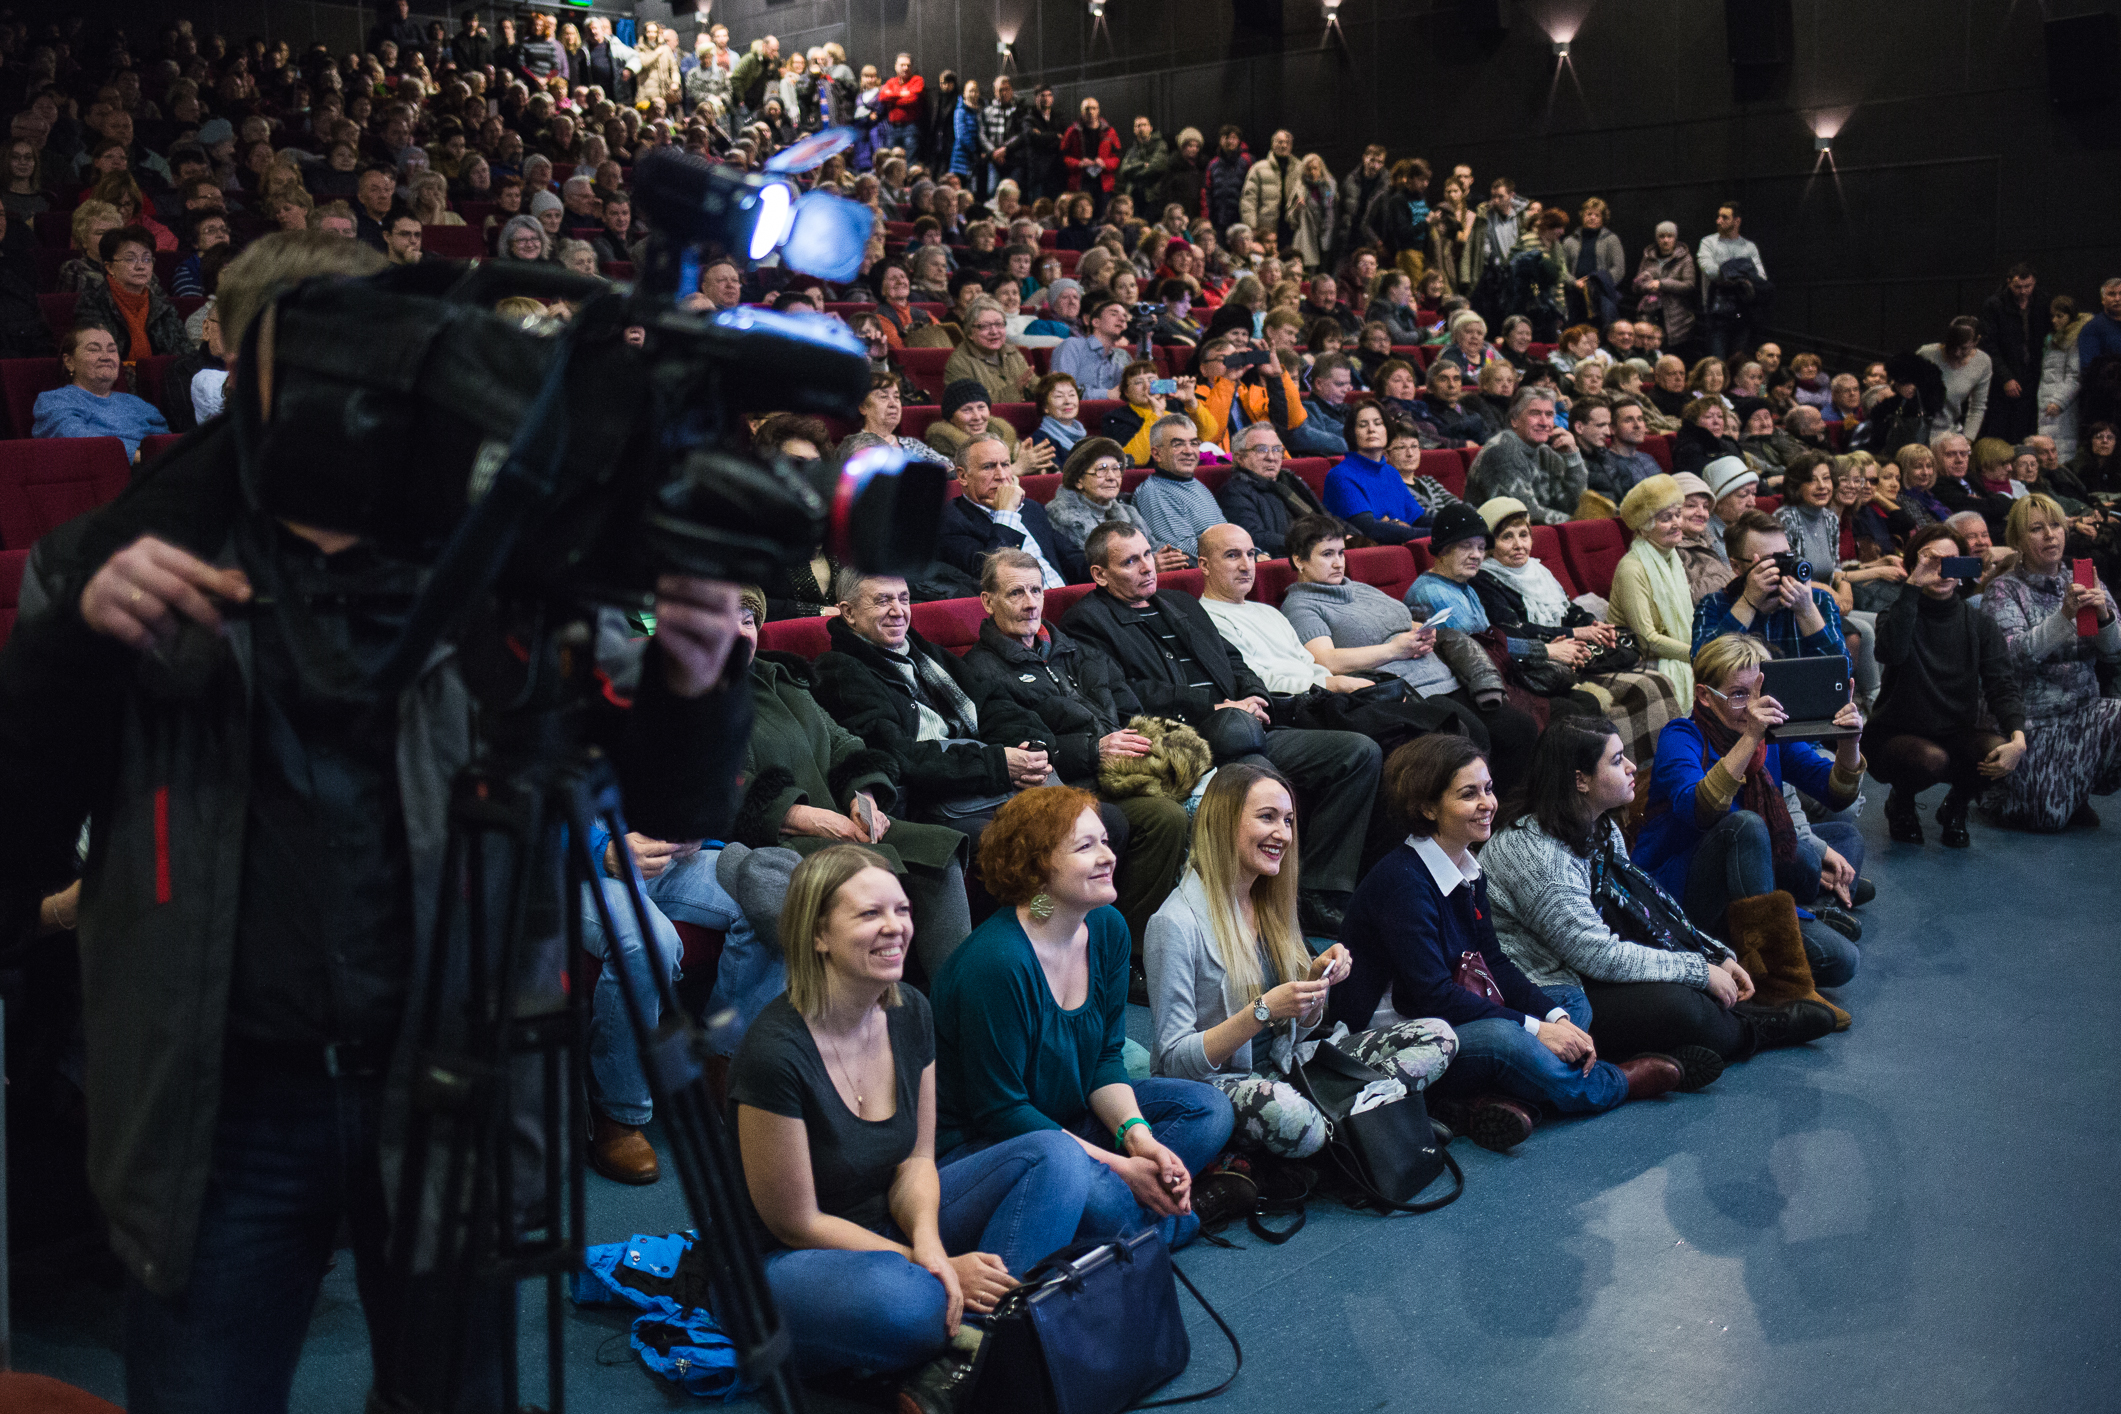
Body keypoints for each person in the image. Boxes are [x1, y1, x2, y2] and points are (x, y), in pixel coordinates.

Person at [0, 229, 757, 1414]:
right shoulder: (127, 558)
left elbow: (672, 797)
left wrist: (700, 675)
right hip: (223, 1101)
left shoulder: (501, 552)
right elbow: (21, 841)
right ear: (243, 363)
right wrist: (69, 655)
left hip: (454, 1081)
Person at [729, 844, 1092, 1399]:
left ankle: (966, 1352)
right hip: (791, 1260)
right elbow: (794, 1223)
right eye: (870, 914)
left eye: (901, 910)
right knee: (906, 1303)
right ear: (818, 935)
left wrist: (928, 1247)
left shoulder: (910, 1011)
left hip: (892, 1225)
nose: (895, 927)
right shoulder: (773, 1050)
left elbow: (919, 1159)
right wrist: (937, 1264)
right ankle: (982, 1340)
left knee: (1057, 1154)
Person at [1332, 735, 1681, 1152]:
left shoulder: (1467, 866)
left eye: (1489, 789)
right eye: (1468, 794)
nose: (1487, 803)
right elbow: (1432, 997)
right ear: (1427, 808)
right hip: (1405, 1038)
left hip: (1451, 1012)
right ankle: (1611, 1085)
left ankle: (1487, 1100)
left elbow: (1492, 960)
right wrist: (1536, 1029)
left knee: (1570, 1003)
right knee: (1508, 1039)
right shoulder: (1402, 882)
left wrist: (1553, 1018)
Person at [931, 788, 1234, 1250]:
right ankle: (1173, 1222)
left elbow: (1104, 1060)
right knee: (1110, 1200)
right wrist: (1121, 1169)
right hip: (989, 1147)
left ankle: (1105, 1228)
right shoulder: (997, 963)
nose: (1107, 856)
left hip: (1068, 1119)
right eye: (1085, 847)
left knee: (1209, 1111)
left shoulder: (1107, 927)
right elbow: (1003, 1113)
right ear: (1037, 868)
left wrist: (1139, 1139)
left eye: (1105, 842)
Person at [1061, 523, 1384, 936]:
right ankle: (1266, 906)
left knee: (1358, 752)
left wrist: (1253, 695)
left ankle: (1319, 888)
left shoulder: (1179, 602)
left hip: (1243, 722)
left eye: (1147, 555)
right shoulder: (1087, 622)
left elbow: (1232, 659)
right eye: (1129, 561)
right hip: (1184, 742)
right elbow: (1127, 694)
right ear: (1100, 574)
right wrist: (1215, 705)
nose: (1146, 567)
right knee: (1256, 771)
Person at [1486, 719, 1840, 1090]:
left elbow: (1647, 909)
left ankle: (1675, 1053)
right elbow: (1599, 956)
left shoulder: (1597, 826)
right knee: (1682, 1005)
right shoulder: (1538, 855)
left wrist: (1714, 954)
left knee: (1692, 984)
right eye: (1617, 760)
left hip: (1587, 971)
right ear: (1580, 780)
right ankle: (1756, 1031)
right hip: (1556, 993)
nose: (1631, 767)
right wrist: (1698, 971)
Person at [1145, 763, 1458, 1156]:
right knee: (1296, 1121)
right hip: (1226, 1084)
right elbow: (1173, 1063)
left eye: (1289, 819)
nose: (1283, 834)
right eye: (1267, 817)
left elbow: (1305, 1032)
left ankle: (1351, 1128)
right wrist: (1261, 1011)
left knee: (1439, 1036)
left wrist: (1315, 987)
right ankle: (1378, 1125)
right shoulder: (1173, 923)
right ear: (1223, 823)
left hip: (1292, 1068)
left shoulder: (1271, 900)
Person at [1633, 634, 1865, 1016]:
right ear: (1706, 696)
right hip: (1683, 890)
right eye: (1740, 695)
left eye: (1758, 693)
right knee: (1746, 826)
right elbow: (1700, 810)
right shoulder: (1682, 734)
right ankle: (1777, 985)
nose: (1752, 707)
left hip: (1753, 885)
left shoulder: (1769, 738)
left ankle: (1757, 938)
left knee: (1843, 959)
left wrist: (1848, 742)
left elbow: (1835, 794)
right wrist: (1752, 735)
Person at [1278, 512, 1538, 788]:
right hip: (1410, 693)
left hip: (1445, 675)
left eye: (1341, 552)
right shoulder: (1301, 605)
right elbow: (1326, 661)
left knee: (1521, 729)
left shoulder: (1360, 589)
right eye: (1327, 554)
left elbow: (1402, 619)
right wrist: (1394, 650)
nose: (1338, 562)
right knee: (1476, 738)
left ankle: (1506, 816)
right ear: (1299, 560)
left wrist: (1424, 630)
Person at [1474, 498, 1685, 765]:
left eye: (1524, 534)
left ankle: (1661, 771)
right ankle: (1626, 778)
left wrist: (1594, 626)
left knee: (1659, 681)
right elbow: (1514, 630)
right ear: (1490, 545)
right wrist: (1576, 633)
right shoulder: (1485, 579)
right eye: (1506, 537)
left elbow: (1568, 608)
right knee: (1645, 686)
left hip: (1576, 654)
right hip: (1543, 666)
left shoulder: (1538, 571)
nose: (1519, 545)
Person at [1862, 524, 2029, 848]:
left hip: (1954, 732)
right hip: (1896, 734)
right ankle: (1902, 800)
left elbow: (2002, 684)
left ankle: (1957, 804)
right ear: (1914, 564)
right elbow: (1890, 651)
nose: (1941, 569)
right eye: (1930, 559)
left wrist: (2018, 738)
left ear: (1963, 566)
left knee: (1999, 750)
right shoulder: (1896, 613)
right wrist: (1912, 586)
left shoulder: (1979, 623)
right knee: (1931, 759)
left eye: (1950, 560)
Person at [1980, 494, 2121, 832]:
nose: (2050, 535)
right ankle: (2026, 793)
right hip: (2030, 724)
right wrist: (2064, 617)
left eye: (2056, 526)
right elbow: (2013, 657)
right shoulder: (2003, 590)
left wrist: (2104, 617)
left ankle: (2077, 789)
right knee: (2046, 821)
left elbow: (2114, 653)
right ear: (2017, 541)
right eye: (2037, 529)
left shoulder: (2085, 579)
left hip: (2083, 711)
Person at [1691, 509, 1850, 662]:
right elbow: (1702, 666)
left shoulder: (1819, 601)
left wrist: (1806, 611)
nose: (1783, 567)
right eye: (1769, 561)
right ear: (1736, 566)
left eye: (1787, 557)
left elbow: (1844, 671)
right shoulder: (1714, 604)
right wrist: (1748, 603)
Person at [936, 434, 1085, 587]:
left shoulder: (1031, 508)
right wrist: (1006, 512)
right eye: (988, 467)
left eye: (1005, 465)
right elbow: (990, 575)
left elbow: (1072, 559)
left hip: (1062, 600)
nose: (1001, 476)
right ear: (963, 476)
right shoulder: (950, 520)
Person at [31, 323, 169, 460]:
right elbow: (85, 444)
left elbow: (168, 445)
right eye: (93, 350)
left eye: (112, 350)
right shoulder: (55, 401)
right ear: (69, 362)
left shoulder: (137, 403)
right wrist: (143, 456)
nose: (105, 356)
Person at [1465, 387, 1589, 525]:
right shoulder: (1501, 451)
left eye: (1549, 415)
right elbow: (1525, 513)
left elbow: (1572, 505)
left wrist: (1573, 457)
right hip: (1495, 540)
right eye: (1535, 414)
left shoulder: (1545, 453)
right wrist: (1579, 523)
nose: (1544, 422)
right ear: (1514, 420)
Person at [75, 225, 188, 360]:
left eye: (146, 259)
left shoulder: (162, 306)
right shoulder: (93, 303)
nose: (140, 266)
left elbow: (183, 352)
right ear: (110, 267)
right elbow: (98, 358)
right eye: (130, 259)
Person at [1215, 422, 1328, 555]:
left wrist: (1351, 536)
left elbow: (1324, 516)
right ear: (1240, 458)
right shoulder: (1234, 492)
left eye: (1276, 449)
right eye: (1261, 450)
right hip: (1290, 559)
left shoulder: (1291, 481)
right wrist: (1310, 544)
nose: (1271, 457)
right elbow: (1254, 537)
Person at [1322, 400, 1427, 541]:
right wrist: (1436, 534)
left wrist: (1451, 527)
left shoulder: (1390, 472)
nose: (1371, 429)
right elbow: (1369, 528)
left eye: (1378, 423)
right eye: (1363, 425)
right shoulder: (1340, 475)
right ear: (1352, 433)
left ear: (1387, 430)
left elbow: (1417, 518)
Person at [1044, 436, 1161, 556]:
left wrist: (1169, 556)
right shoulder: (1064, 518)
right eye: (1101, 469)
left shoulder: (1129, 513)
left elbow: (1154, 547)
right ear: (1078, 480)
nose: (1111, 477)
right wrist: (1150, 563)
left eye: (1116, 469)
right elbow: (1093, 567)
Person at [1102, 361, 1216, 469]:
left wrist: (1191, 401)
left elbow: (1208, 434)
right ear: (1126, 392)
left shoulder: (1175, 406)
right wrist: (1156, 414)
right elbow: (1135, 459)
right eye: (1138, 382)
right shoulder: (1116, 418)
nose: (1147, 386)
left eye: (1152, 380)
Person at [1695, 201, 1766, 361]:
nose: (1718, 220)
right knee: (1716, 361)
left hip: (1744, 313)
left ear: (1737, 221)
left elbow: (1760, 277)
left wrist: (1728, 273)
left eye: (1724, 217)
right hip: (1716, 312)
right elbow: (1709, 269)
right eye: (1718, 216)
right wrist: (1742, 273)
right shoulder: (1708, 242)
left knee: (1738, 363)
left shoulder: (1749, 247)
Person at [943, 296, 1037, 406]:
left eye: (999, 324)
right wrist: (1014, 390)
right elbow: (971, 405)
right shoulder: (959, 363)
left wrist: (1051, 386)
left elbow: (1033, 383)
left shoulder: (1012, 352)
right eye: (985, 326)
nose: (994, 331)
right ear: (969, 333)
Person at [1919, 315, 1994, 440]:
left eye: (1964, 348)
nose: (1957, 352)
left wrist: (1968, 440)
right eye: (1952, 346)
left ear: (1976, 341)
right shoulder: (1927, 354)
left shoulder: (1983, 362)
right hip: (1918, 430)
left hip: (1948, 432)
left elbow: (1977, 407)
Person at [1631, 220, 1698, 353]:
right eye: (1662, 236)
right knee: (1647, 350)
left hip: (1675, 315)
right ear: (1657, 239)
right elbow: (1636, 285)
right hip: (1650, 311)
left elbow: (1689, 285)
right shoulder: (1648, 257)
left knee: (1669, 351)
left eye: (1669, 236)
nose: (1666, 240)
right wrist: (1647, 285)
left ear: (1675, 238)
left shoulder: (1684, 258)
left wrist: (1662, 284)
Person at [2038, 297, 2090, 460]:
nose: (2054, 320)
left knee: (2062, 449)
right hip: (2047, 403)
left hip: (2061, 406)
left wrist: (2059, 401)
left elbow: (2075, 376)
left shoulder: (2074, 341)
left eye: (2060, 316)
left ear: (2070, 316)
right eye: (2053, 316)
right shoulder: (2053, 339)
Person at [1053, 296, 1133, 400]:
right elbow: (1062, 390)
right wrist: (1107, 394)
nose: (1122, 319)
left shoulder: (1123, 355)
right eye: (1114, 314)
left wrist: (1146, 338)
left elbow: (1145, 384)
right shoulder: (1072, 346)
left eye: (1124, 317)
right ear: (1095, 322)